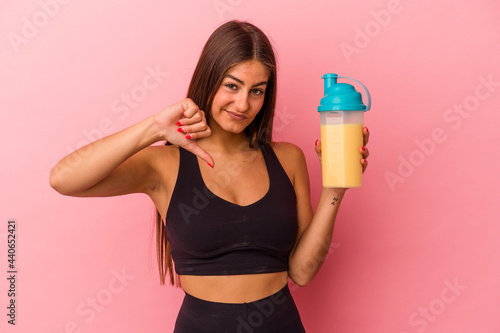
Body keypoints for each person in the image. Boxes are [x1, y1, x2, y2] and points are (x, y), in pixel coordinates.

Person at [50, 20, 369, 332]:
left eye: (256, 91)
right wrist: (153, 128)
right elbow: (63, 179)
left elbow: (301, 273)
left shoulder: (288, 158)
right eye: (232, 85)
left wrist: (334, 190)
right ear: (209, 79)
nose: (243, 104)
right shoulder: (164, 165)